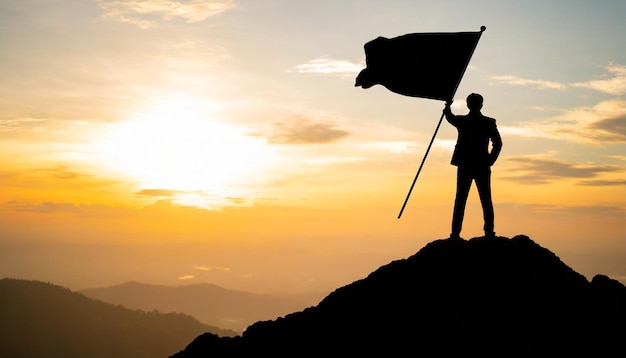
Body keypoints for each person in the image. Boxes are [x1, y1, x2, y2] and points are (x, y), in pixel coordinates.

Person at [444, 93, 502, 239]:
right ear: (481, 104)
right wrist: (490, 160)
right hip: (479, 164)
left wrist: (448, 107)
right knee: (484, 199)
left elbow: (451, 118)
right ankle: (488, 232)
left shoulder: (466, 122)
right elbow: (498, 143)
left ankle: (456, 234)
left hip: (468, 164)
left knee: (462, 199)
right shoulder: (486, 122)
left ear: (468, 105)